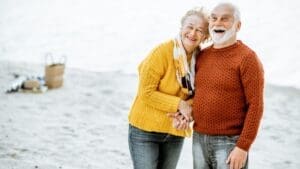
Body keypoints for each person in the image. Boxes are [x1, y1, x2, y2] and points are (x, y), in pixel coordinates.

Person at [128, 7, 209, 169]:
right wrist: (180, 104)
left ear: (206, 37)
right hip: (145, 130)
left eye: (199, 30)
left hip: (175, 130)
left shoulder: (202, 59)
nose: (193, 33)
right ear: (181, 27)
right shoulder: (162, 52)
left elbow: (202, 93)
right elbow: (146, 93)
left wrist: (187, 114)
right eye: (190, 27)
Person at [191, 3, 264, 169]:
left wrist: (243, 147)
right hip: (198, 138)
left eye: (225, 19)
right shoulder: (202, 55)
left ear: (237, 25)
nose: (217, 23)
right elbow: (196, 94)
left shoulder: (247, 58)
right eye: (214, 18)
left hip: (230, 142)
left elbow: (256, 105)